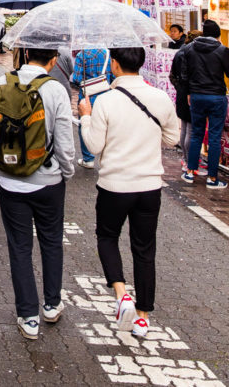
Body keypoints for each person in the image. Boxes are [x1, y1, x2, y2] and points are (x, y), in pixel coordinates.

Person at [78, 47, 180, 338]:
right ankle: (144, 317)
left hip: (115, 185)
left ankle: (122, 295)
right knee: (145, 249)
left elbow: (94, 146)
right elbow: (172, 139)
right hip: (149, 186)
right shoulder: (160, 97)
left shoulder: (106, 101)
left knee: (107, 237)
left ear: (115, 65)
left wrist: (86, 115)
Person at [0, 47, 75, 340]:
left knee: (19, 247)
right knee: (51, 242)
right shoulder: (56, 90)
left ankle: (28, 315)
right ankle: (51, 304)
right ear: (52, 60)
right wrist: (66, 173)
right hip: (49, 182)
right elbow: (64, 143)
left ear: (22, 56)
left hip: (10, 183)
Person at [180, 19, 229, 189]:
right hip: (216, 97)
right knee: (214, 137)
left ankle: (190, 172)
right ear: (217, 35)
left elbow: (184, 74)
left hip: (196, 96)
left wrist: (188, 92)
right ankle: (212, 178)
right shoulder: (222, 50)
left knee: (196, 134)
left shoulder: (189, 49)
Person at [72, 47, 113, 169]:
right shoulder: (108, 53)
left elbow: (77, 79)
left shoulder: (82, 54)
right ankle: (107, 157)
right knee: (107, 125)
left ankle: (88, 159)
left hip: (87, 97)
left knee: (85, 123)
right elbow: (113, 76)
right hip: (106, 95)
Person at [169, 29, 201, 171]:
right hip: (190, 93)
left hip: (182, 93)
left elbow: (172, 75)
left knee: (184, 127)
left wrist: (180, 87)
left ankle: (185, 158)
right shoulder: (192, 54)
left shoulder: (180, 52)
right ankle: (190, 161)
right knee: (191, 129)